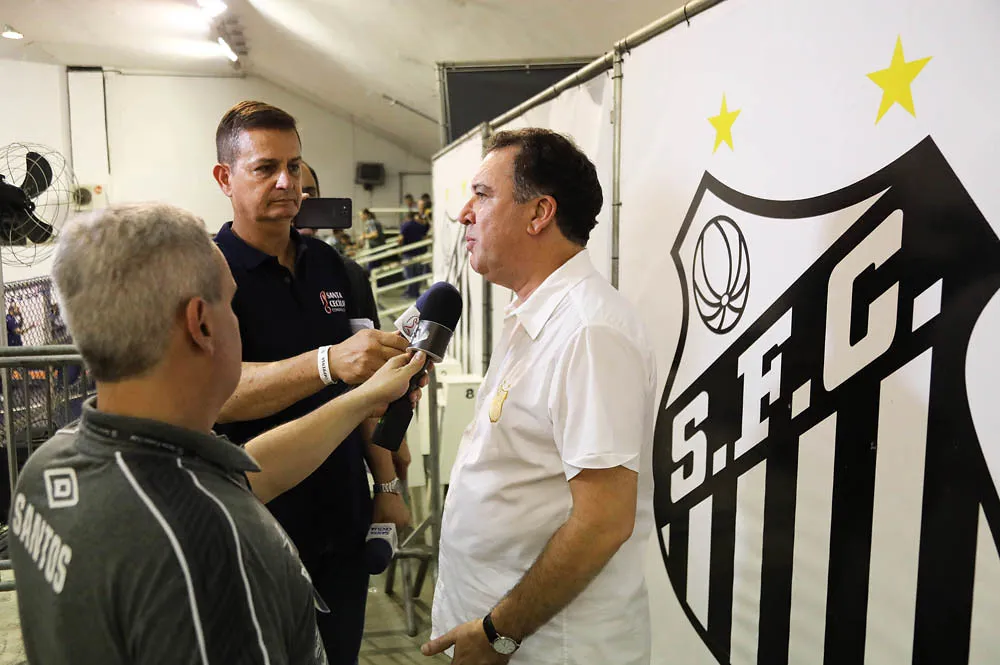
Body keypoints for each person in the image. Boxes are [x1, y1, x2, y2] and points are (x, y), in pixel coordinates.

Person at [8, 202, 427, 665]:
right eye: (230, 304)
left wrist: (364, 399)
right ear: (202, 324)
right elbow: (219, 507)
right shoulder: (217, 547)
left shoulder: (52, 465)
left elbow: (248, 475)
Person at [423, 128, 657, 665]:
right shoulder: (537, 315)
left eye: (482, 195)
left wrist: (499, 632)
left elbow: (603, 521)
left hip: (546, 647)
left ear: (539, 213)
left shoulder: (589, 330)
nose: (463, 213)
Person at [210, 100, 413, 663]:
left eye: (294, 166)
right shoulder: (206, 272)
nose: (286, 182)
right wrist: (326, 363)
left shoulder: (335, 269)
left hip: (341, 515)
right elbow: (214, 393)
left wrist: (387, 487)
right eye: (265, 168)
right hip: (252, 519)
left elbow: (367, 387)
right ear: (225, 178)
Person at [398, 212, 430, 298]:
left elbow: (400, 238)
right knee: (417, 275)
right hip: (419, 253)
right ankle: (415, 292)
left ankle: (410, 293)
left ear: (407, 217)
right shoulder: (419, 225)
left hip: (408, 254)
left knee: (409, 275)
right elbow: (426, 230)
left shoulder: (405, 225)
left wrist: (400, 248)